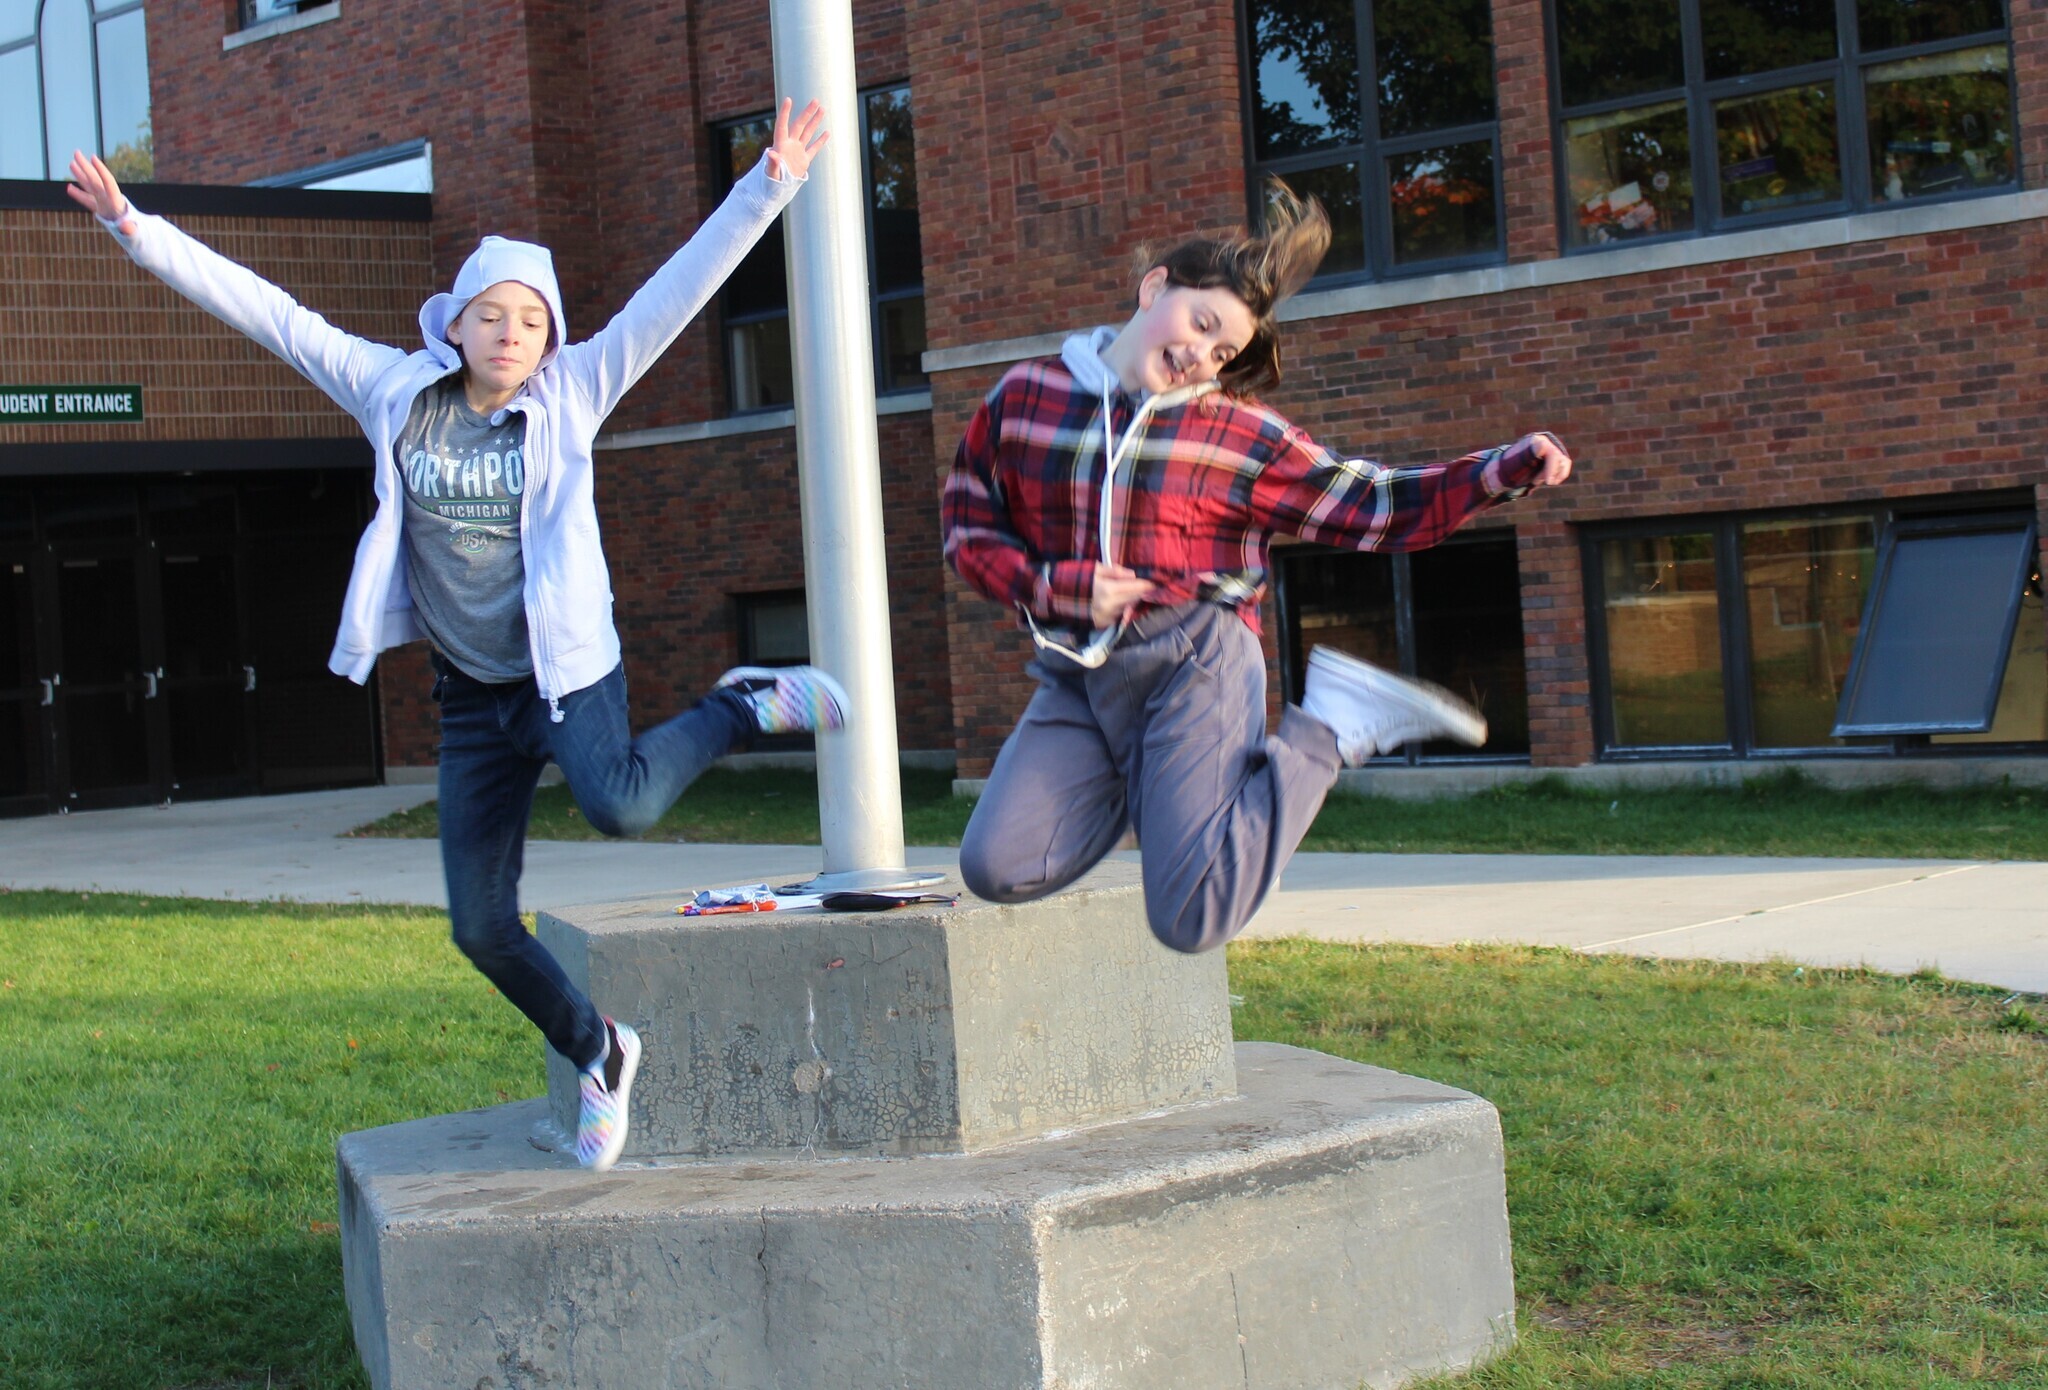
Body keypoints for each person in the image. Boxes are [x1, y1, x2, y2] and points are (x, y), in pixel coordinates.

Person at [66, 99, 845, 1172]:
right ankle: (598, 1047)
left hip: (565, 677)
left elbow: (677, 294)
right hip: (472, 698)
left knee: (620, 801)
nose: (511, 334)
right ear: (456, 324)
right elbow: (270, 313)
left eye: (530, 319)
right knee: (479, 927)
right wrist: (133, 226)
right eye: (493, 315)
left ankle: (739, 704)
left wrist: (768, 183)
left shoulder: (576, 393)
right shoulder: (394, 392)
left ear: (550, 335)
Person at [942, 184, 1573, 955]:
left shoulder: (1236, 435)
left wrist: (1497, 472)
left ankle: (1331, 728)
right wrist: (1048, 588)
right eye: (1201, 324)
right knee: (997, 864)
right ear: (1154, 289)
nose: (1200, 356)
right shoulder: (1023, 399)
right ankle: (1157, 791)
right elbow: (969, 523)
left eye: (1222, 352)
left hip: (1193, 663)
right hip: (1077, 671)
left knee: (1190, 918)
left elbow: (1365, 501)